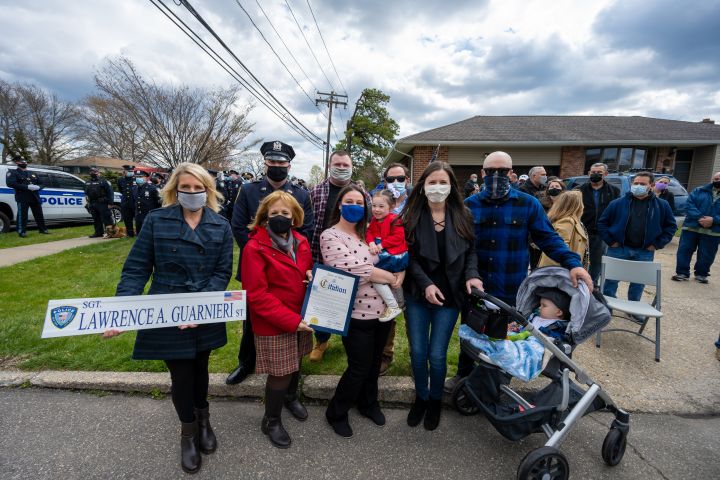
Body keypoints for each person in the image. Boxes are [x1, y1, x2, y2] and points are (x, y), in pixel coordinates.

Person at [105, 162, 233, 474]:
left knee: (201, 368)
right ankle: (188, 432)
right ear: (174, 190)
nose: (192, 193)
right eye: (185, 188)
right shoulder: (156, 220)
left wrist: (200, 306)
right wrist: (123, 310)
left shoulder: (220, 225)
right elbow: (137, 267)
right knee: (181, 375)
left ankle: (204, 419)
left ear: (208, 190)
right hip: (166, 307)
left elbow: (222, 272)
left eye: (198, 188)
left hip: (204, 308)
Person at [449, 152, 593, 392]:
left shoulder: (528, 204)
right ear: (483, 173)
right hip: (476, 286)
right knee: (472, 332)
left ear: (511, 173)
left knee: (504, 339)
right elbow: (463, 247)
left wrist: (573, 263)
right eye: (492, 171)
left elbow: (548, 238)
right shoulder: (469, 206)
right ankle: (463, 375)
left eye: (503, 171)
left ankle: (496, 385)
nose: (497, 176)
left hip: (511, 287)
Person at [403, 162, 483, 430]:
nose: (437, 188)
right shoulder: (412, 215)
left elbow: (472, 250)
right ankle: (421, 398)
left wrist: (472, 274)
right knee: (417, 353)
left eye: (442, 182)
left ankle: (435, 400)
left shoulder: (463, 214)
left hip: (450, 296)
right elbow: (409, 257)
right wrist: (425, 284)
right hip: (418, 293)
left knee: (437, 355)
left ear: (451, 186)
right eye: (432, 182)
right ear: (423, 186)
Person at [226, 140, 314, 386]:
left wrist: (288, 256)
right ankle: (246, 362)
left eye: (282, 162)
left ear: (289, 165)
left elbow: (306, 229)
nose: (277, 166)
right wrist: (262, 254)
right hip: (257, 263)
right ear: (265, 162)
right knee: (251, 319)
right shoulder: (249, 190)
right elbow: (239, 225)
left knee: (292, 317)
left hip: (291, 267)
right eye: (272, 161)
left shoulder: (301, 194)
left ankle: (292, 371)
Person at [322, 184, 399, 438]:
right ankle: (337, 411)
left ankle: (369, 403)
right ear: (340, 205)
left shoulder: (367, 234)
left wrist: (395, 270)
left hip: (382, 313)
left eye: (359, 202)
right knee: (359, 367)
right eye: (349, 201)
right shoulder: (330, 236)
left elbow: (389, 253)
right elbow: (350, 269)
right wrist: (388, 276)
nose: (354, 206)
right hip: (355, 314)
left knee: (375, 363)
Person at [241, 191, 314, 448]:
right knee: (280, 372)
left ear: (294, 216)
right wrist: (290, 321)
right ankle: (271, 419)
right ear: (264, 217)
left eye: (285, 213)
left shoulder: (302, 241)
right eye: (274, 213)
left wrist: (311, 274)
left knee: (295, 362)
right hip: (275, 320)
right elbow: (257, 295)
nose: (280, 217)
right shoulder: (254, 248)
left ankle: (291, 397)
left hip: (302, 316)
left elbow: (306, 271)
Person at [307, 150, 367, 363]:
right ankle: (321, 340)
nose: (341, 168)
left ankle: (350, 340)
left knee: (350, 301)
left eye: (345, 164)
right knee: (323, 302)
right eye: (337, 164)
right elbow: (308, 224)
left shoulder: (361, 194)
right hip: (320, 254)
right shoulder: (316, 191)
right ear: (330, 165)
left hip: (351, 256)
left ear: (351, 167)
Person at [598, 172, 677, 302]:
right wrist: (610, 241)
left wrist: (657, 244)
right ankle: (607, 304)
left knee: (638, 281)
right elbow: (602, 223)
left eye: (642, 184)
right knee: (610, 280)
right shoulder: (617, 203)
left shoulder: (662, 205)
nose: (638, 186)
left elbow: (671, 227)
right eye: (636, 183)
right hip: (618, 249)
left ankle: (634, 306)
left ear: (651, 186)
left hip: (644, 251)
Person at [366, 189, 408, 322]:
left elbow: (398, 237)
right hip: (385, 251)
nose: (376, 209)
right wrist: (371, 242)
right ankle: (401, 302)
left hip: (395, 254)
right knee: (394, 281)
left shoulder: (394, 219)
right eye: (374, 206)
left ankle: (393, 305)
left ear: (391, 206)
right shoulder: (374, 220)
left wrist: (381, 245)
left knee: (375, 277)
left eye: (381, 206)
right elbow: (370, 232)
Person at [672, 171, 720, 284]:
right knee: (684, 250)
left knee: (707, 254)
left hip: (713, 231)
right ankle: (682, 273)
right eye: (716, 179)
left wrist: (713, 220)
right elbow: (689, 205)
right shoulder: (699, 190)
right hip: (691, 227)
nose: (717, 181)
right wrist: (700, 218)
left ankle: (701, 274)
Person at [578, 163, 620, 284]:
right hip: (582, 232)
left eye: (599, 173)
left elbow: (616, 213)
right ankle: (578, 284)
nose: (595, 175)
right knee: (579, 260)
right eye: (593, 172)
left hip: (601, 234)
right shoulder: (579, 190)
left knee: (597, 262)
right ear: (588, 173)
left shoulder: (614, 191)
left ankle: (593, 285)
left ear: (606, 174)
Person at [538, 191, 589, 269]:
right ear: (576, 205)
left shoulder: (573, 220)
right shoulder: (567, 221)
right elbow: (559, 248)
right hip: (562, 272)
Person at [5, 156, 49, 237]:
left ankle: (43, 229)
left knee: (39, 214)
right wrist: (27, 187)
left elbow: (43, 183)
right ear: (17, 162)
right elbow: (11, 183)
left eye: (24, 161)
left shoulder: (32, 173)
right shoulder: (12, 172)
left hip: (34, 196)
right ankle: (21, 231)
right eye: (21, 161)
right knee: (22, 215)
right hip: (22, 196)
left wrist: (39, 187)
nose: (24, 162)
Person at [84, 167, 114, 238]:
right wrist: (88, 203)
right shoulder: (87, 182)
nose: (93, 173)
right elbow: (86, 193)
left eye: (94, 172)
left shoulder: (104, 182)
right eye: (91, 172)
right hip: (92, 203)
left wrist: (110, 203)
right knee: (96, 219)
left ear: (98, 173)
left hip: (102, 202)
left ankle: (110, 233)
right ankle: (98, 233)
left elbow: (110, 193)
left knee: (106, 218)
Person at [117, 165, 137, 237]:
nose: (131, 173)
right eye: (129, 171)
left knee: (137, 219)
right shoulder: (120, 180)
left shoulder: (136, 179)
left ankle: (138, 233)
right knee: (127, 219)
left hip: (135, 202)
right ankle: (130, 234)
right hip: (125, 202)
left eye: (132, 171)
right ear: (124, 172)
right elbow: (121, 190)